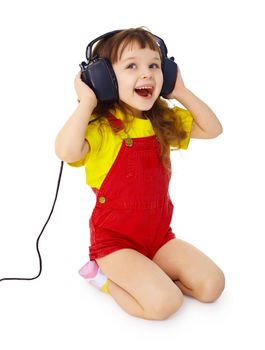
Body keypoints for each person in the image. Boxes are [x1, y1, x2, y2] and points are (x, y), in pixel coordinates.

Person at [55, 27, 225, 321]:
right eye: (132, 65)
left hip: (158, 237)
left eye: (155, 66)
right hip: (116, 244)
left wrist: (180, 91)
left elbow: (213, 129)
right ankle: (103, 279)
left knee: (212, 286)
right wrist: (87, 102)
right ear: (105, 79)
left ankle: (149, 276)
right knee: (164, 305)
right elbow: (66, 151)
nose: (146, 74)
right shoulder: (101, 129)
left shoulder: (163, 121)